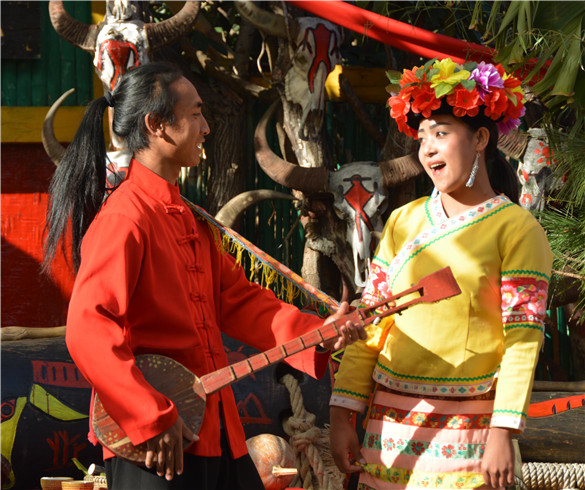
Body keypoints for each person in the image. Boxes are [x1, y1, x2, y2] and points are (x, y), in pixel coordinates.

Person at [43, 61, 366, 490]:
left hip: (216, 431)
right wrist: (148, 416)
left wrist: (317, 332)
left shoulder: (188, 219)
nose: (206, 126)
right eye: (195, 113)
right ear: (157, 124)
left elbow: (240, 302)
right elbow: (88, 329)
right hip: (158, 445)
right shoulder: (124, 218)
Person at [329, 58, 553, 490]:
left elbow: (523, 337)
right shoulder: (402, 221)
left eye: (442, 133)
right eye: (423, 136)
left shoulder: (517, 229)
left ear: (481, 138)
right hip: (389, 433)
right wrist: (342, 416)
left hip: (472, 438)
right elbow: (372, 321)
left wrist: (504, 433)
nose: (428, 148)